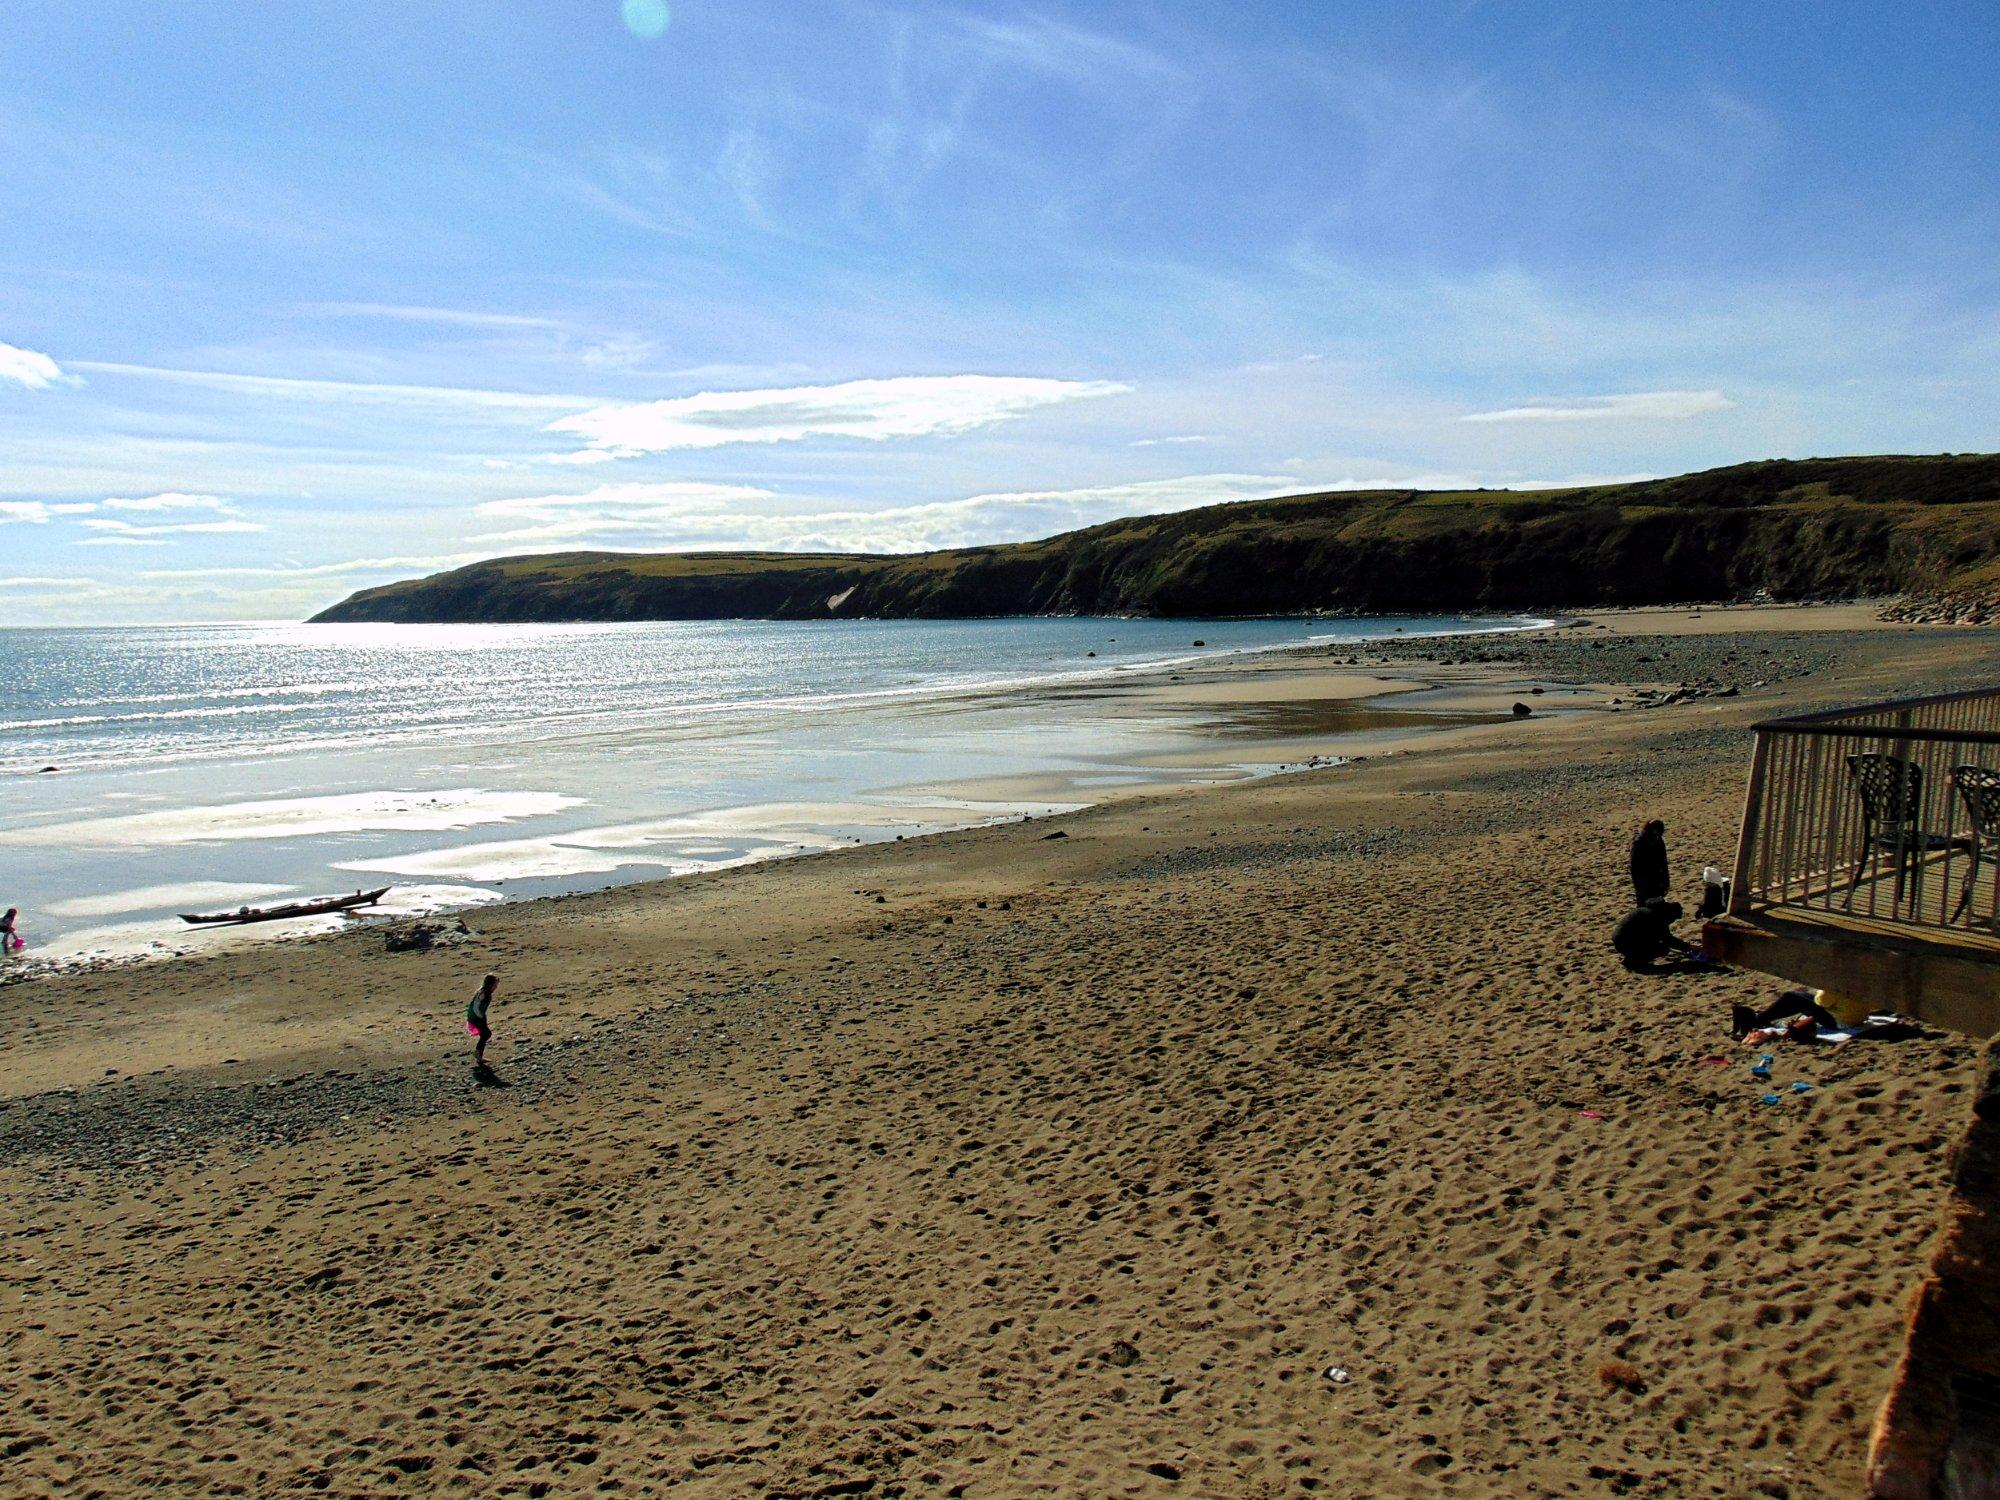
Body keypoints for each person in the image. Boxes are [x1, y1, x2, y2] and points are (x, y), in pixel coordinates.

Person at [1613, 897, 1692, 971]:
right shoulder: (1656, 918)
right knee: (1662, 949)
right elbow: (1668, 940)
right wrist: (1689, 947)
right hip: (1625, 943)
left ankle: (1632, 957)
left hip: (1621, 940)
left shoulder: (1649, 911)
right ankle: (1635, 961)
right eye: (1674, 918)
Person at [1629, 819, 1670, 904]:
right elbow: (1635, 867)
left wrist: (1666, 881)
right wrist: (1639, 886)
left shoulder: (1658, 840)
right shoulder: (1639, 842)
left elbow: (1663, 862)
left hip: (1657, 880)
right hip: (1644, 882)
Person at [466, 973, 498, 1069]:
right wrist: (480, 1016)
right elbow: (476, 1006)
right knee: (486, 1034)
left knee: (485, 1034)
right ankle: (478, 1054)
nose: (496, 987)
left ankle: (478, 1054)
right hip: (476, 1016)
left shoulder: (485, 992)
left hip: (479, 1015)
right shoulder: (483, 993)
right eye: (495, 985)